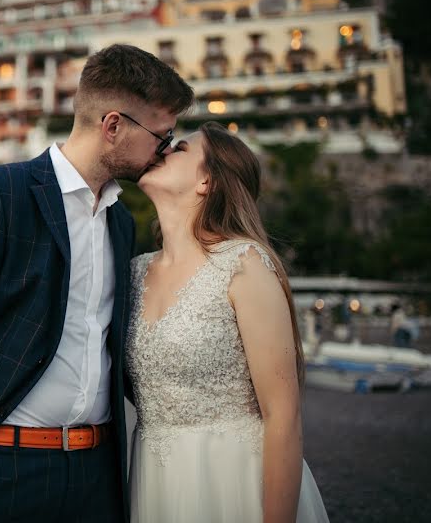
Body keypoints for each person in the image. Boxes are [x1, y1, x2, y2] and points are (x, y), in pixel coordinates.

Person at [0, 44, 194, 522]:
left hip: (95, 475)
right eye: (161, 135)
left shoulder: (121, 222)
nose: (164, 150)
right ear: (113, 126)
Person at [127, 121, 329, 522]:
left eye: (180, 148)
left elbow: (283, 416)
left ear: (207, 183)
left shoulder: (243, 265)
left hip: (233, 480)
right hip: (155, 483)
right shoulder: (133, 271)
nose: (162, 150)